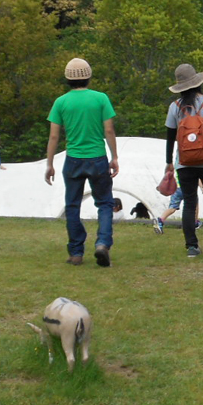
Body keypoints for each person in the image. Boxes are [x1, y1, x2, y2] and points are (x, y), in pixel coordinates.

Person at [45, 58, 119, 267]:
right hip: (97, 157)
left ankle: (76, 252)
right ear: (89, 76)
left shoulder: (61, 102)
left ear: (67, 79)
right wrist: (114, 157)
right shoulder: (101, 98)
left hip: (73, 159)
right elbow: (109, 130)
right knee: (104, 203)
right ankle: (103, 243)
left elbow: (53, 137)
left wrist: (50, 164)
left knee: (72, 205)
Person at [164, 63, 203, 258]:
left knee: (190, 202)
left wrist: (169, 162)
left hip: (184, 162)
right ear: (198, 82)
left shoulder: (174, 107)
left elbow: (170, 136)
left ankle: (191, 246)